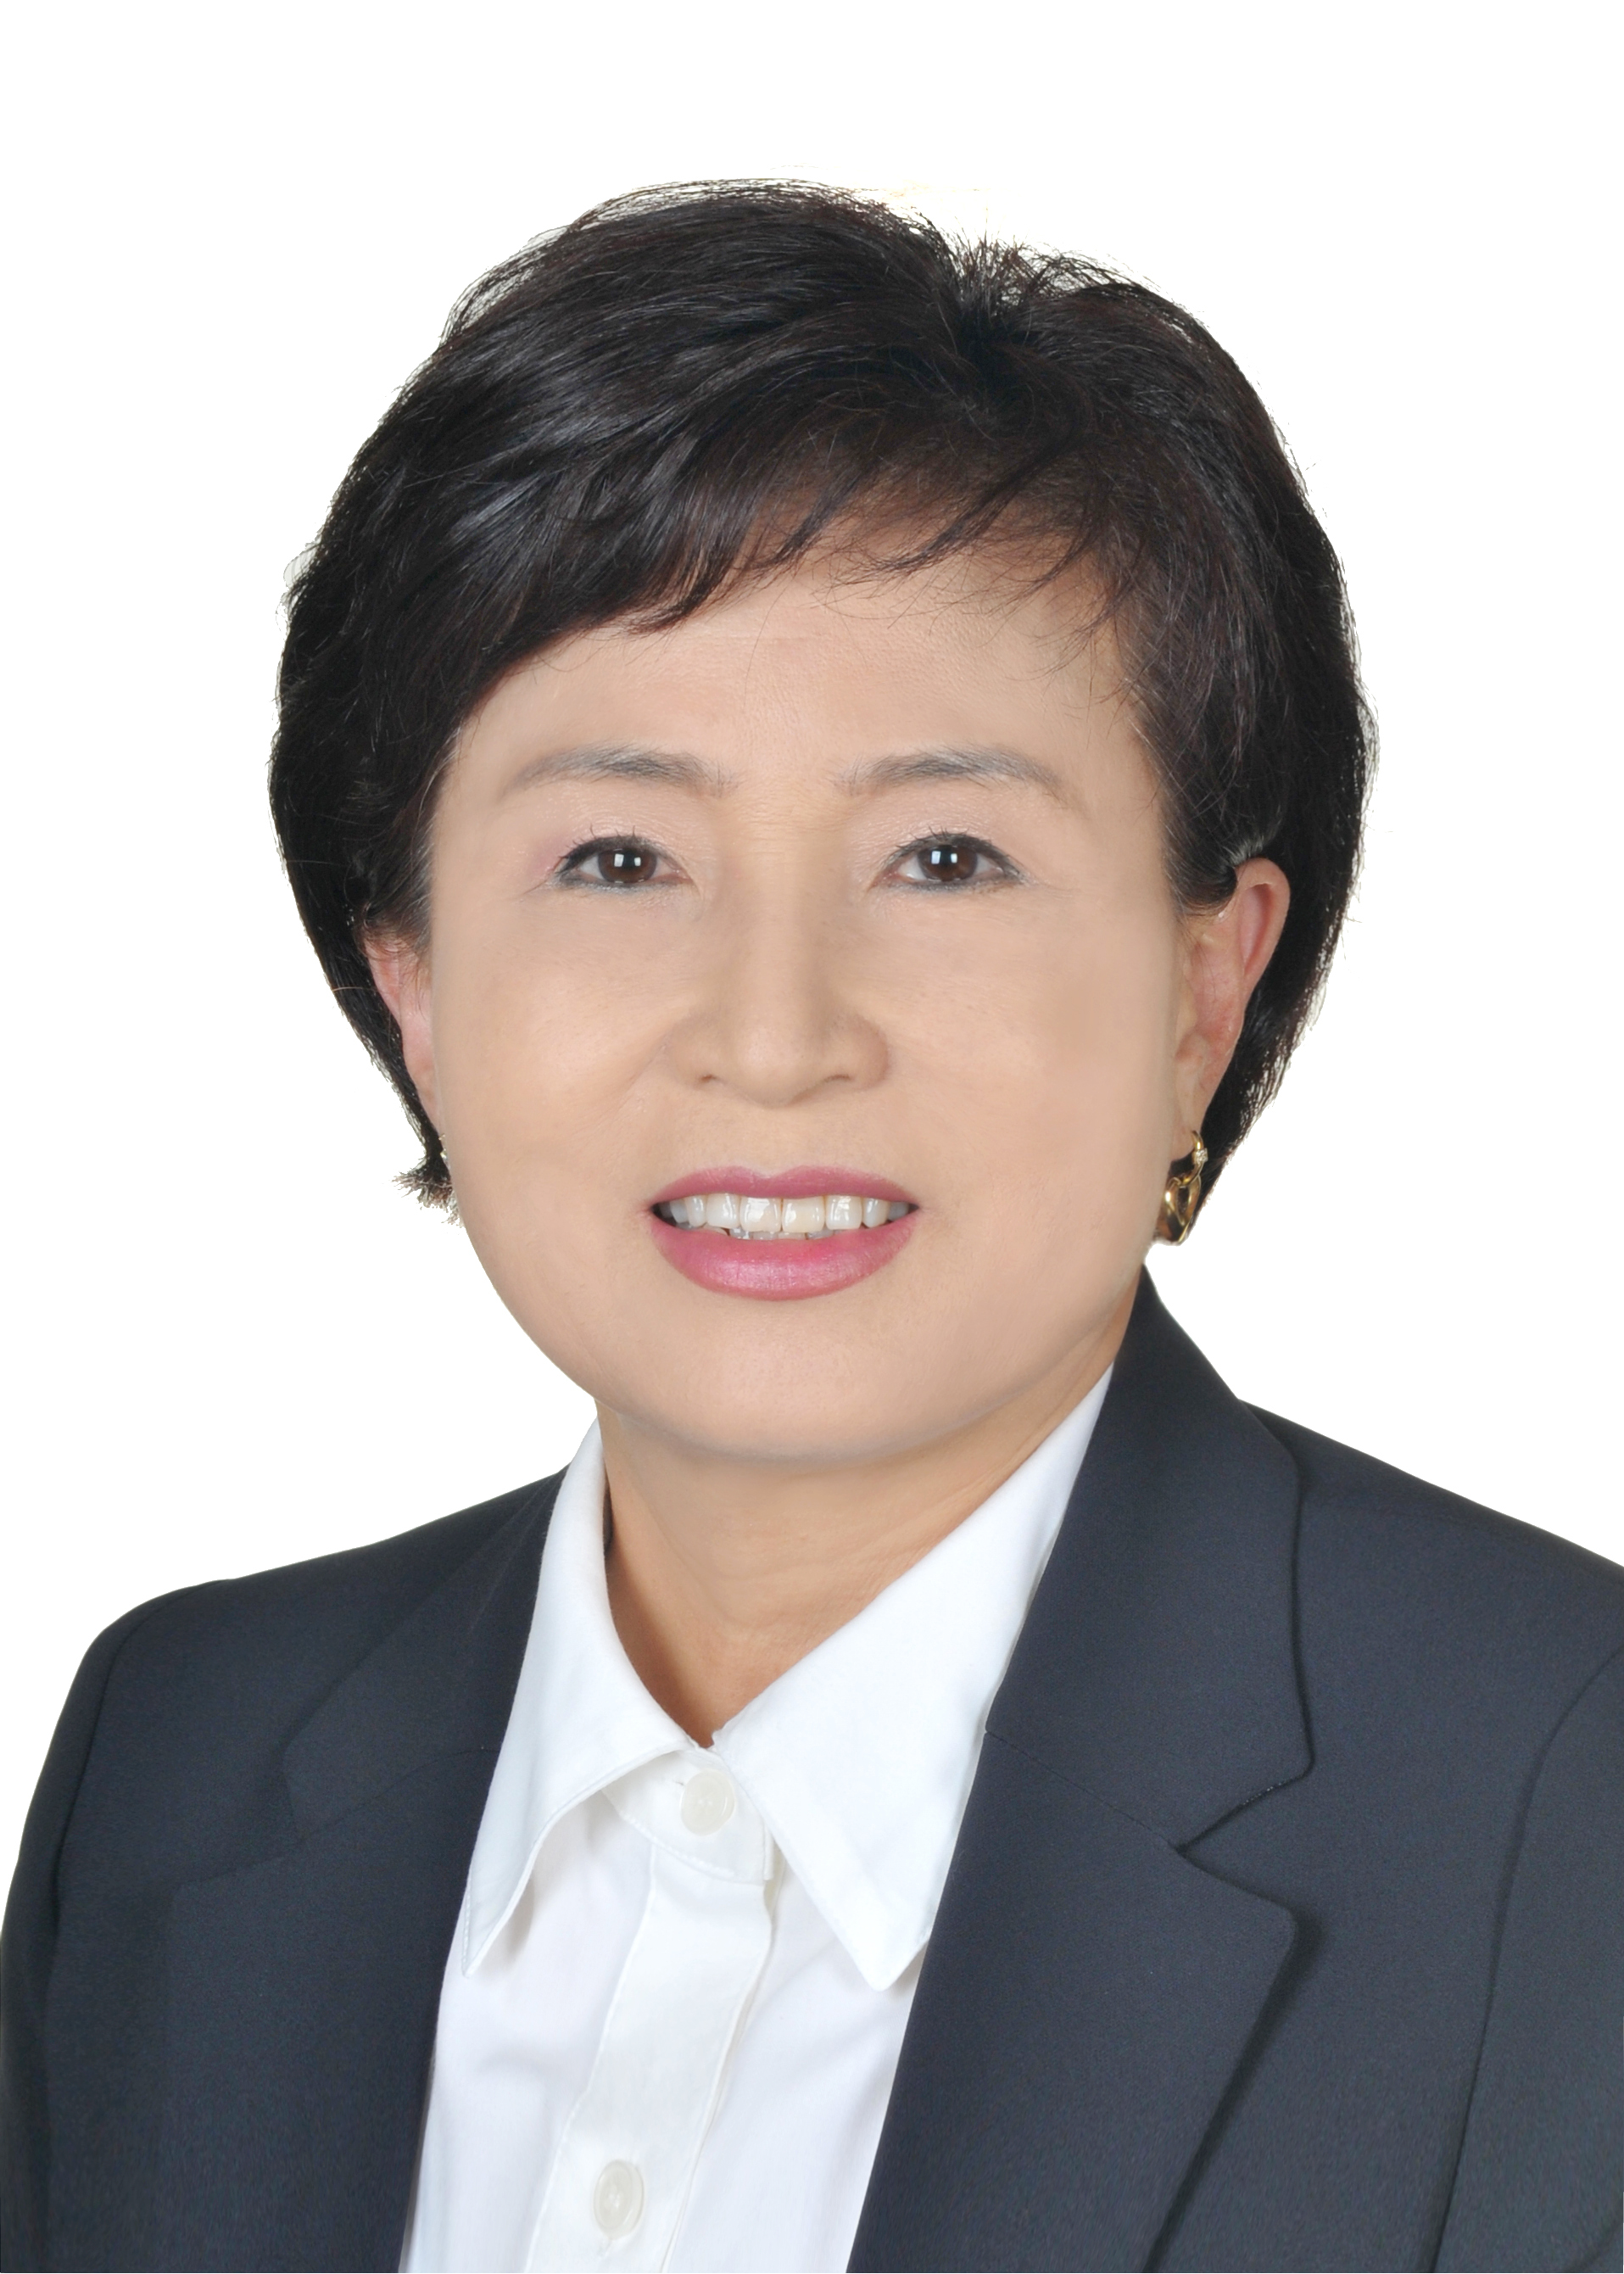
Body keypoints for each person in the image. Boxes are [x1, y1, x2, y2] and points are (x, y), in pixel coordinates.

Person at [3, 182, 1619, 2274]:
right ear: (411, 981)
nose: (773, 1041)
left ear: (1202, 984)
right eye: (616, 858)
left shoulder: (1561, 1805)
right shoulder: (183, 1752)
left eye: (944, 857)